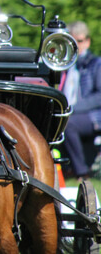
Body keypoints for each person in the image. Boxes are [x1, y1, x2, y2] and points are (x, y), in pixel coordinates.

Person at [61, 21, 101, 179]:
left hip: (93, 116)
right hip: (71, 113)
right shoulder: (63, 64)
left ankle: (82, 172)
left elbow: (99, 97)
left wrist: (72, 109)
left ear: (88, 41)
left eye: (80, 41)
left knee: (67, 123)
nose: (76, 45)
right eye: (72, 41)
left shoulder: (96, 63)